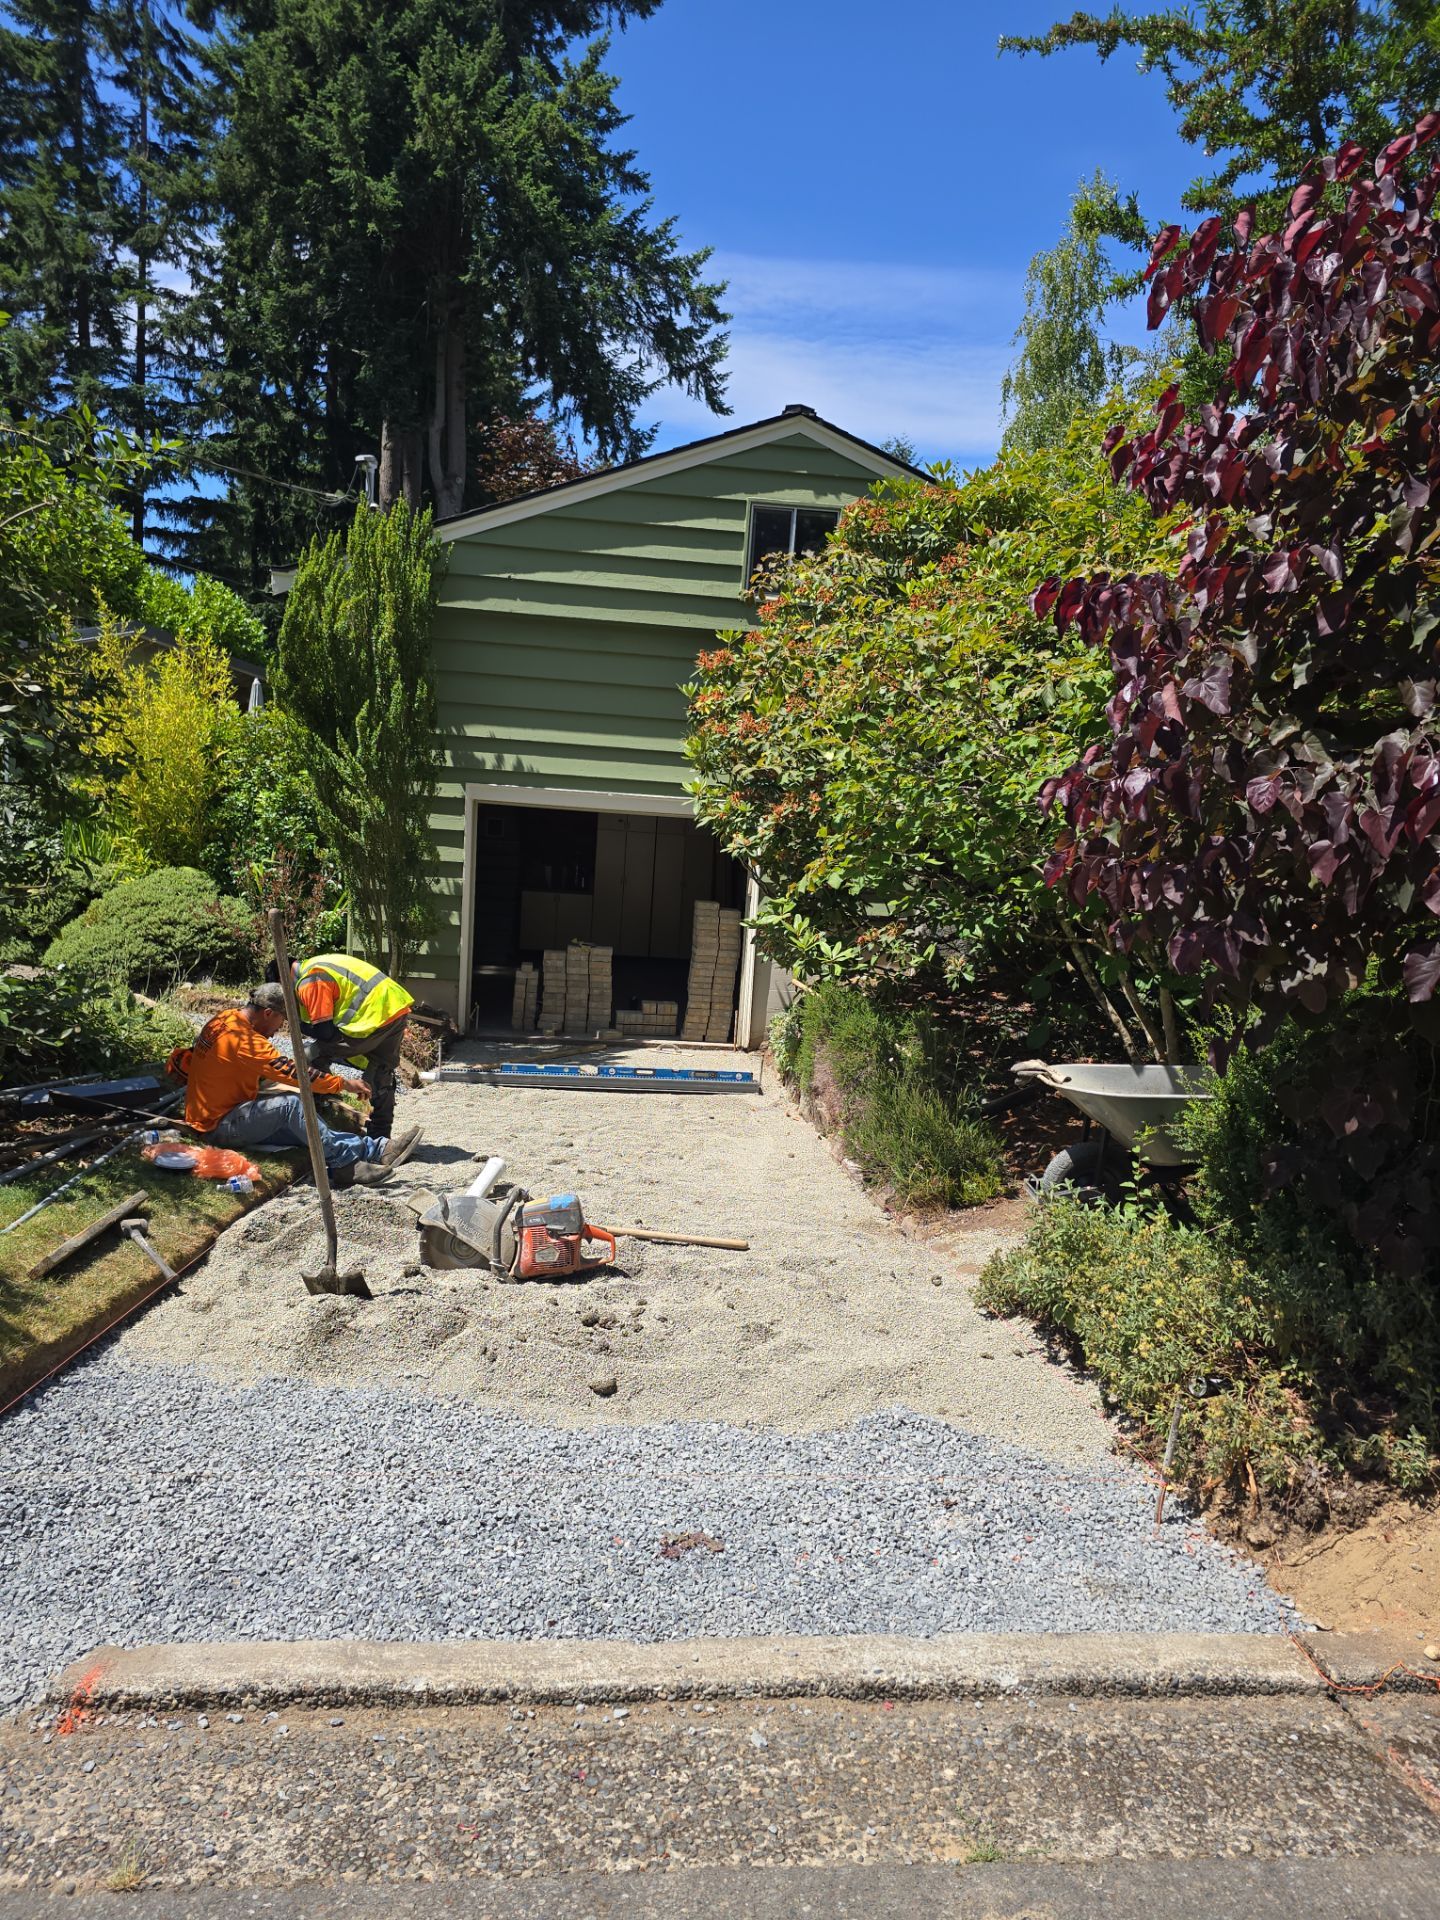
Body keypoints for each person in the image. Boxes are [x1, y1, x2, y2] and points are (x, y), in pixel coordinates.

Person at [165, 984, 421, 1185]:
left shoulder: (224, 1019)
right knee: (291, 1105)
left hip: (218, 1114)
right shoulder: (245, 1041)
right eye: (281, 1020)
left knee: (309, 1129)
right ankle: (344, 1166)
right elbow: (295, 1073)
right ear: (268, 1013)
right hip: (219, 1125)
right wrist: (342, 1083)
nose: (278, 1030)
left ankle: (379, 1149)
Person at [270, 952, 415, 1141]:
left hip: (371, 1018)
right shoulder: (319, 964)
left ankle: (322, 1115)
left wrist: (297, 1023)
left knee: (310, 1056)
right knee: (381, 1070)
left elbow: (325, 1033)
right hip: (394, 1009)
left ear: (281, 980)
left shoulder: (311, 980)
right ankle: (381, 1139)